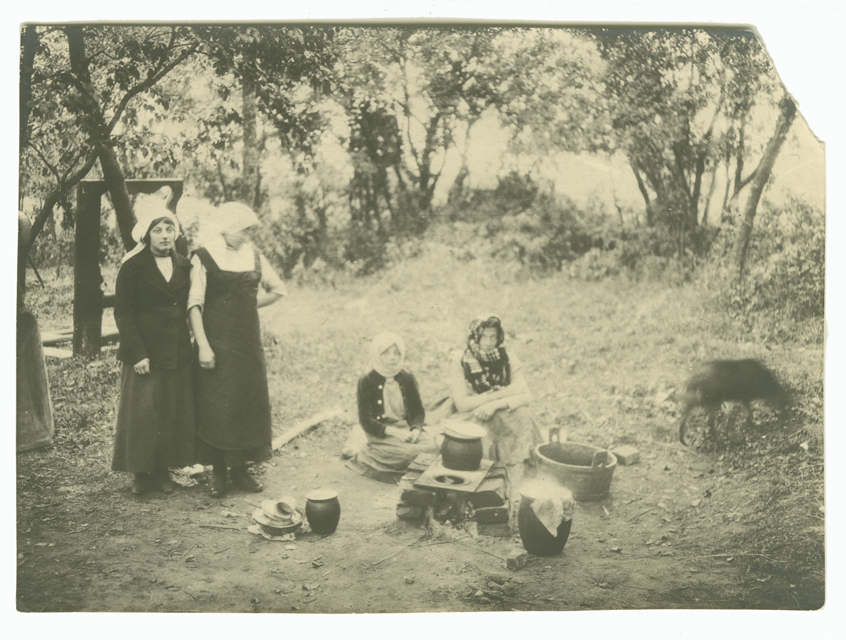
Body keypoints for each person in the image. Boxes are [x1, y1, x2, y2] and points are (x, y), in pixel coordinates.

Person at [187, 202, 286, 497]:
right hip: (216, 342)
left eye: (248, 230)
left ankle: (240, 470)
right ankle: (219, 470)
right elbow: (194, 305)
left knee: (245, 402)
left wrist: (247, 305)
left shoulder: (253, 255)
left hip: (247, 343)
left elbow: (278, 289)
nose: (246, 235)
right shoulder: (204, 256)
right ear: (226, 227)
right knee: (218, 404)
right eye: (242, 230)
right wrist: (203, 346)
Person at [112, 205, 196, 495]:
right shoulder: (133, 266)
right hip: (145, 351)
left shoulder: (184, 265)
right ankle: (140, 472)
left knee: (168, 412)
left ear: (175, 233)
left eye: (169, 229)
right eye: (157, 230)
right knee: (142, 413)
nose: (164, 235)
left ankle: (162, 470)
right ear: (146, 235)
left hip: (175, 351)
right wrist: (137, 353)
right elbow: (123, 312)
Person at [449, 315, 542, 473]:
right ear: (475, 337)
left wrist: (495, 404)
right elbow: (462, 404)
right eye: (483, 337)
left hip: (499, 410)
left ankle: (518, 469)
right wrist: (499, 394)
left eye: (493, 337)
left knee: (523, 415)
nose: (488, 343)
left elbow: (527, 395)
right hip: (474, 413)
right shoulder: (461, 359)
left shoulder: (507, 358)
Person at [345, 332, 439, 483]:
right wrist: (394, 432)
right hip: (381, 432)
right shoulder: (367, 380)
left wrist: (415, 429)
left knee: (438, 444)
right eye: (386, 353)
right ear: (377, 354)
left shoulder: (406, 377)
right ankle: (368, 453)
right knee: (408, 454)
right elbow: (365, 420)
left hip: (405, 428)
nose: (392, 357)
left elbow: (417, 411)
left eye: (396, 352)